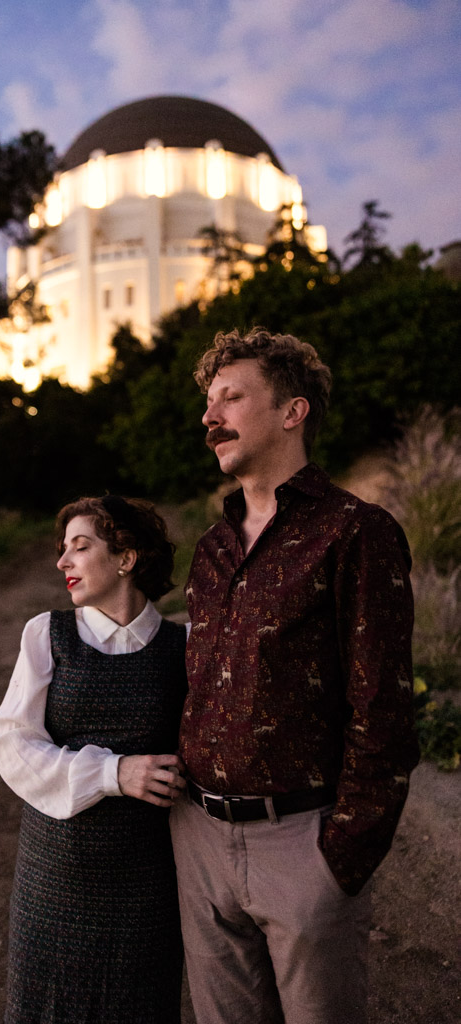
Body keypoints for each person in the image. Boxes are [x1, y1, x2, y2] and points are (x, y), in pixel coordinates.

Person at [170, 327, 419, 1024]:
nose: (208, 415)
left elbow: (385, 709)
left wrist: (338, 860)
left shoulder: (353, 532)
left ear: (291, 411)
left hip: (299, 846)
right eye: (207, 401)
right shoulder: (212, 548)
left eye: (230, 397)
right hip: (199, 841)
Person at [0, 495, 188, 1024]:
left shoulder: (183, 646)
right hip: (53, 880)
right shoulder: (46, 635)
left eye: (81, 547)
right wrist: (114, 772)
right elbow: (12, 742)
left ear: (127, 558)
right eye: (63, 549)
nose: (63, 562)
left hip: (145, 882)